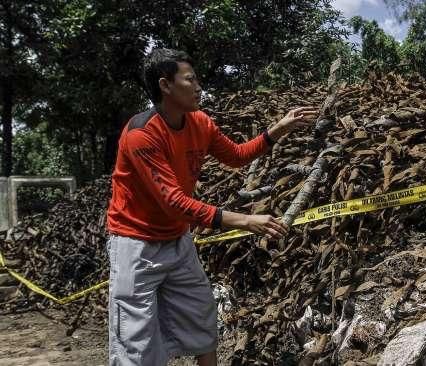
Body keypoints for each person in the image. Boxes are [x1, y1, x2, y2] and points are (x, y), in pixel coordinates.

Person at [105, 48, 317, 366]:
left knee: (203, 322)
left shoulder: (200, 123)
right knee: (135, 346)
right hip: (137, 246)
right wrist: (245, 220)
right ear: (166, 85)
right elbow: (174, 202)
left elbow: (236, 155)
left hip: (177, 242)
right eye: (191, 79)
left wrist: (279, 129)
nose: (199, 86)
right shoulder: (141, 135)